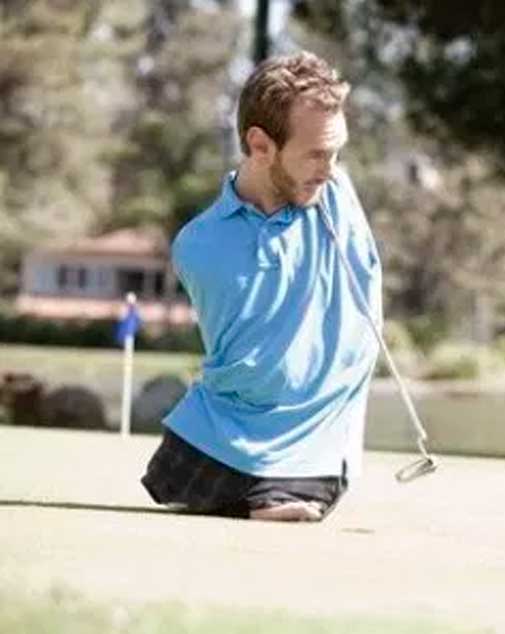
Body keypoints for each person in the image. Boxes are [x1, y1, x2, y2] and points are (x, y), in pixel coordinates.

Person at [141, 52, 382, 522]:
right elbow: (251, 365)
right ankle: (255, 497)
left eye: (336, 152)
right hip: (228, 424)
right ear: (260, 145)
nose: (329, 169)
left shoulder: (338, 197)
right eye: (316, 153)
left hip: (319, 437)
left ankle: (267, 496)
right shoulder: (198, 244)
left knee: (295, 496)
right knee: (171, 477)